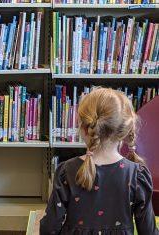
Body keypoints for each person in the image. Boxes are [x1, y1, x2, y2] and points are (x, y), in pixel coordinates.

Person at [40, 87, 159, 235]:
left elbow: (49, 227)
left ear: (83, 129)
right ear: (126, 131)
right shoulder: (137, 175)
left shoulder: (66, 171)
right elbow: (148, 231)